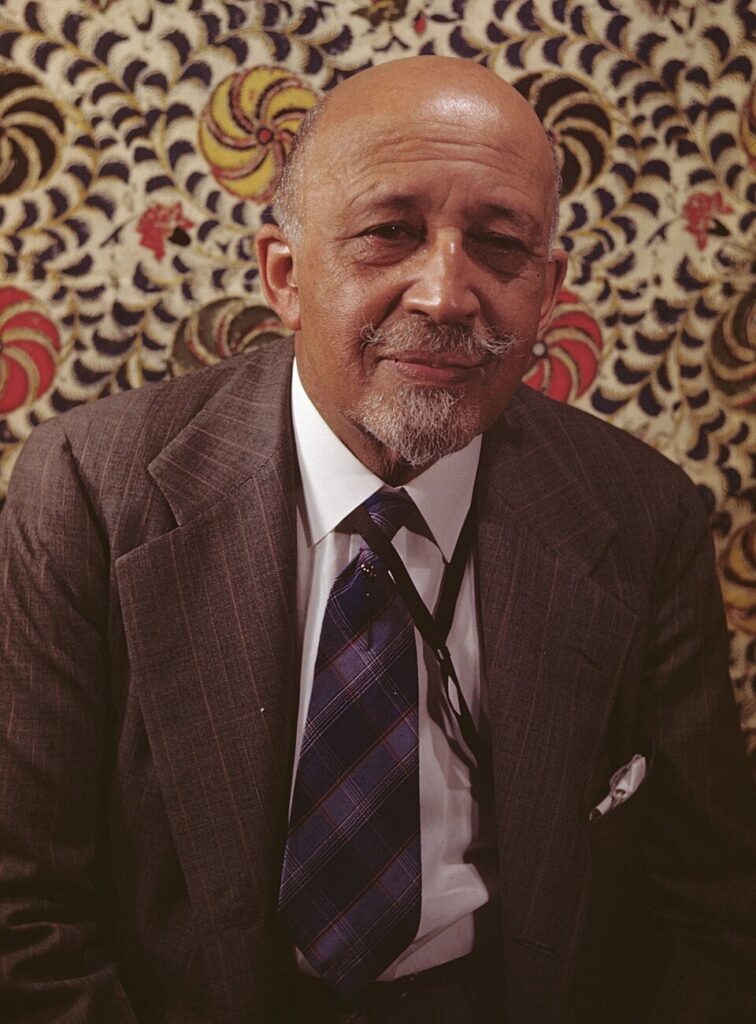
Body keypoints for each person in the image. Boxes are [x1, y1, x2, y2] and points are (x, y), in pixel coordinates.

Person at [1, 55, 754, 1024]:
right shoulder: (86, 491)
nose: (445, 293)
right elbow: (26, 911)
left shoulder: (643, 514)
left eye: (499, 245)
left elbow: (710, 909)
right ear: (285, 274)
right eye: (389, 233)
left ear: (549, 289)